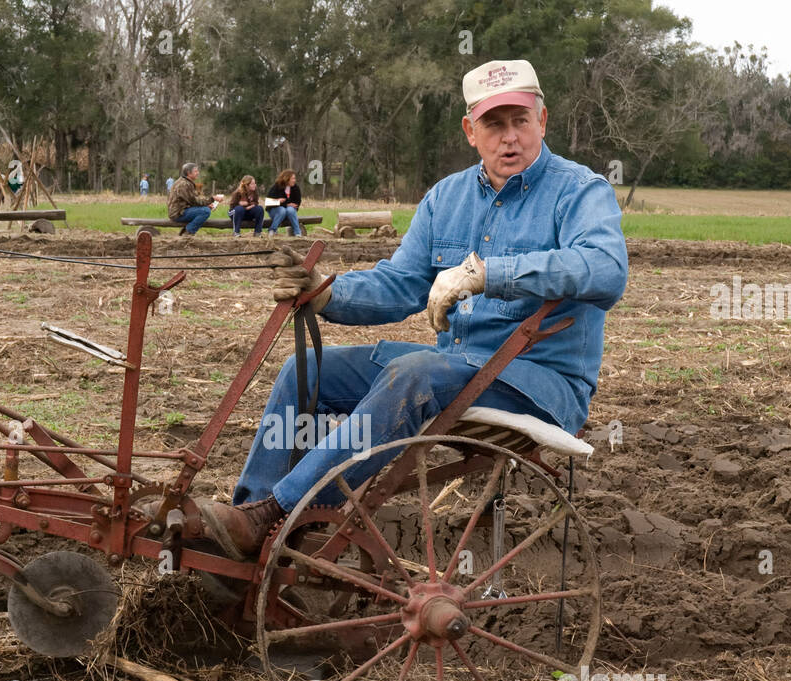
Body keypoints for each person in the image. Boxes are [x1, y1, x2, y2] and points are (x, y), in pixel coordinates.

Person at [196, 59, 628, 560]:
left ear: (542, 120)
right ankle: (245, 538)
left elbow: (605, 269)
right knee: (303, 371)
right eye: (494, 124)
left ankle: (276, 514)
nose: (509, 137)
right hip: (456, 369)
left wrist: (489, 272)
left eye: (520, 121)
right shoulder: (446, 197)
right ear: (471, 130)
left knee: (413, 371)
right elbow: (401, 284)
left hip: (537, 380)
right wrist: (327, 292)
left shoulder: (580, 191)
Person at [167, 162, 223, 235]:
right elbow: (194, 201)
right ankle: (188, 232)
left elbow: (191, 200)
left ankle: (186, 230)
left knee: (205, 209)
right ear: (189, 173)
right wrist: (212, 199)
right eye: (196, 171)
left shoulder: (186, 182)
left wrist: (206, 204)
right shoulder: (184, 184)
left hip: (182, 210)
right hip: (178, 213)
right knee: (205, 211)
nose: (198, 173)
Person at [265, 169, 304, 237]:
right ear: (287, 179)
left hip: (289, 212)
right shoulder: (276, 187)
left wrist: (287, 204)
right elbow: (268, 202)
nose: (294, 180)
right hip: (275, 210)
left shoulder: (296, 188)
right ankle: (272, 230)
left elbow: (297, 202)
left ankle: (297, 233)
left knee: (290, 210)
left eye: (295, 178)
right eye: (293, 178)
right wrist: (285, 204)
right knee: (282, 210)